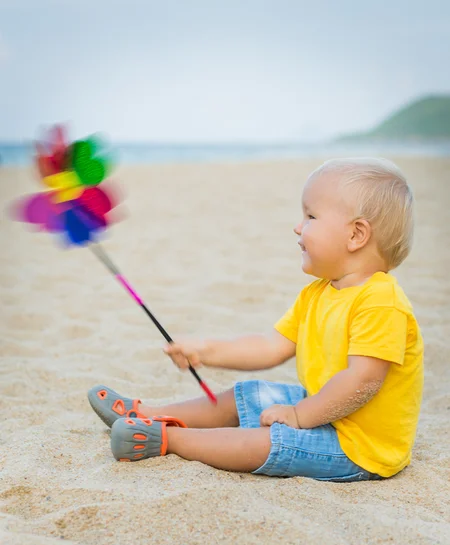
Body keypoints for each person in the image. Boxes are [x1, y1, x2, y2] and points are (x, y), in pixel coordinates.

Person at [87, 157, 424, 482]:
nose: (297, 226)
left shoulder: (381, 302)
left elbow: (362, 383)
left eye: (310, 216)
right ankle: (148, 413)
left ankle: (167, 439)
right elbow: (270, 346)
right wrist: (206, 350)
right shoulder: (318, 293)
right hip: (325, 411)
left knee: (270, 440)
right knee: (245, 394)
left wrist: (298, 416)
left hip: (361, 447)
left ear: (356, 235)